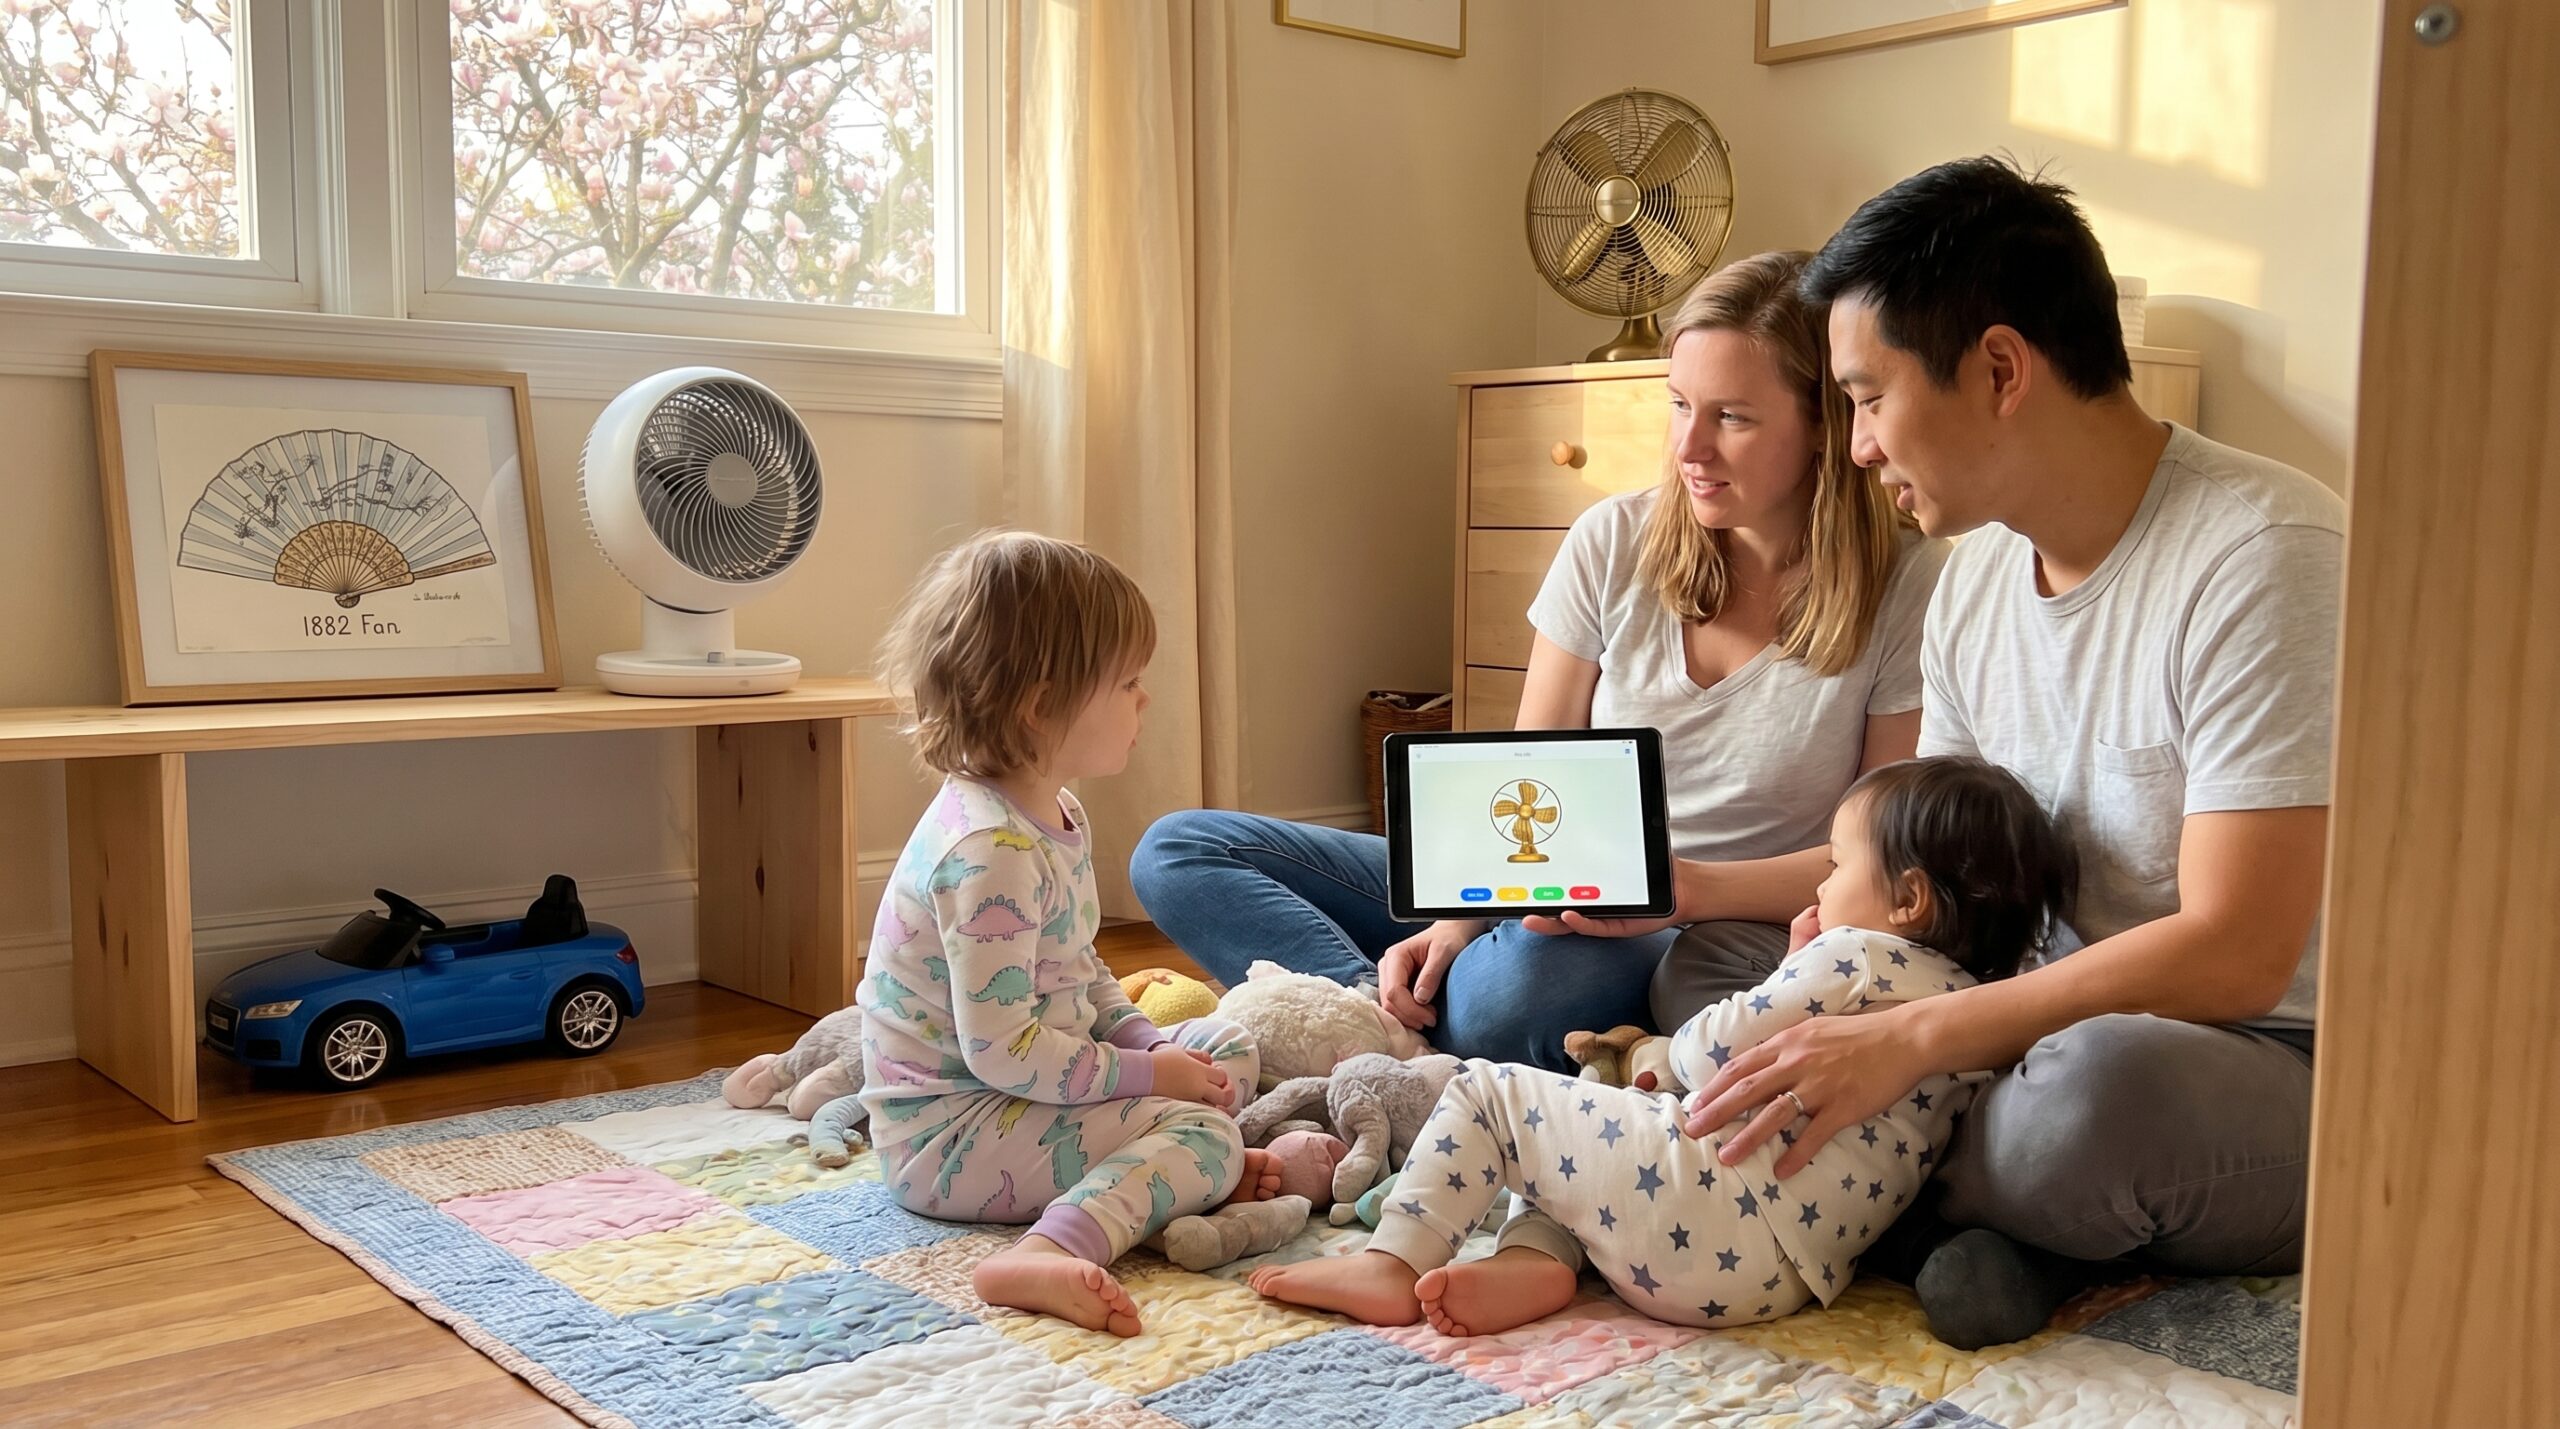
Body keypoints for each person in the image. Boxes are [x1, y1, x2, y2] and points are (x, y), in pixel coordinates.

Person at [1648, 157, 2341, 1349]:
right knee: (1710, 978)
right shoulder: (1969, 581)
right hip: (2021, 1017)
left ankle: (1925, 1209)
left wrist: (1908, 1039)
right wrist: (1843, 955)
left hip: (2259, 1054)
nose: (1855, 448)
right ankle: (1972, 1226)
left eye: (1867, 398)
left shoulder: (2263, 553)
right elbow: (1950, 874)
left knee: (2078, 1111)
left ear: (2002, 370)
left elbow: (2236, 955)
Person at [1132, 251, 1946, 1071]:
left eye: (1732, 416)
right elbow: (1530, 771)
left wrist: (1682, 887)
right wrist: (1456, 920)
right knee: (1178, 850)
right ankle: (1375, 1025)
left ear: (1823, 425)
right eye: (1677, 405)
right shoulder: (1613, 539)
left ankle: (1413, 1030)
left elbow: (1873, 860)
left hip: (1722, 926)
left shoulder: (1907, 588)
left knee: (1502, 1003)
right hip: (1550, 886)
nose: (1689, 446)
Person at [1247, 758, 2075, 1334]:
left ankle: (1393, 1259)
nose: (1821, 885)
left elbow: (1715, 1050)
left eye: (1835, 864)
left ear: (1906, 899)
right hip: (1786, 1275)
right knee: (1576, 1145)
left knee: (1494, 1091)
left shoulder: (1851, 954)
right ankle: (1539, 1260)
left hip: (1709, 1209)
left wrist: (1680, 1042)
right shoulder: (1979, 1012)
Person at [853, 531, 1283, 1339]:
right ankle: (1052, 1245)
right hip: (951, 1137)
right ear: (1041, 706)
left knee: (1227, 1044)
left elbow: (1080, 970)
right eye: (1126, 683)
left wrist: (1153, 1049)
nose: (1144, 701)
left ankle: (1157, 1173)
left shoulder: (1055, 812)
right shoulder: (987, 854)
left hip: (1028, 1089)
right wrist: (1149, 1078)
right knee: (1203, 1132)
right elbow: (1005, 1052)